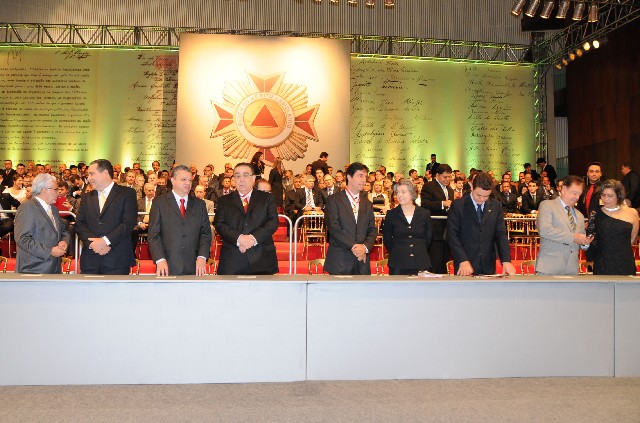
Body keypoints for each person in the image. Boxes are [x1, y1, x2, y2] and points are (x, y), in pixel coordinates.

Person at [74, 159, 138, 274]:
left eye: (92, 174)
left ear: (105, 173)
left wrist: (105, 241)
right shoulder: (87, 197)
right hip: (90, 260)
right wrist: (93, 244)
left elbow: (128, 223)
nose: (88, 178)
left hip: (117, 260)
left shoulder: (127, 193)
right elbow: (79, 224)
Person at [213, 162, 279, 275]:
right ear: (233, 179)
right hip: (232, 259)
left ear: (253, 178)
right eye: (237, 176)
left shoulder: (267, 198)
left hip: (262, 258)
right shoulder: (224, 201)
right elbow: (219, 224)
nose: (241, 179)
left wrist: (252, 238)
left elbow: (273, 222)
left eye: (245, 175)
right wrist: (239, 238)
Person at [447, 172, 516, 276]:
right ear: (471, 187)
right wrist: (462, 259)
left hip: (488, 264)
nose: (481, 199)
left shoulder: (496, 206)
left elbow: (501, 235)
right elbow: (452, 235)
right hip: (465, 264)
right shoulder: (458, 205)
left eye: (486, 196)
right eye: (478, 195)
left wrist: (506, 260)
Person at [148, 165, 212, 276]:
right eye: (183, 179)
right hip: (167, 265)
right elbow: (153, 234)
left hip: (194, 266)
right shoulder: (159, 203)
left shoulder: (200, 204)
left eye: (190, 180)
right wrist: (160, 259)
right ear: (173, 180)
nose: (188, 183)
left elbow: (205, 233)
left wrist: (202, 257)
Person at [324, 162, 377, 275]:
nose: (364, 180)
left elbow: (372, 230)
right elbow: (334, 228)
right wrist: (356, 248)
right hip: (340, 261)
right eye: (360, 175)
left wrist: (365, 248)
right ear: (349, 177)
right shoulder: (334, 200)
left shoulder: (367, 203)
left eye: (365, 176)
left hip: (361, 262)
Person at [536, 175, 593, 275]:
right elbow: (545, 230)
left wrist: (585, 242)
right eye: (574, 193)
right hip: (549, 268)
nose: (577, 197)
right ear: (564, 189)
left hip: (571, 270)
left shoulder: (580, 215)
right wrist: (574, 237)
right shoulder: (547, 205)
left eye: (579, 194)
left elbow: (580, 243)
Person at [14, 173, 70, 274]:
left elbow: (63, 231)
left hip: (54, 269)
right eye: (56, 189)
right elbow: (22, 239)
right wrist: (49, 251)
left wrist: (64, 241)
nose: (58, 193)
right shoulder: (27, 207)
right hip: (33, 269)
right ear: (44, 190)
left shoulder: (54, 209)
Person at [586, 179, 639, 275]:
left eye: (610, 196)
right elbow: (591, 241)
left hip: (625, 262)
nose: (605, 199)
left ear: (619, 196)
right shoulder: (595, 214)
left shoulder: (632, 213)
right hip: (602, 263)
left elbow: (632, 239)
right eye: (603, 195)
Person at [382, 180, 432, 275]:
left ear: (412, 193)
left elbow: (428, 238)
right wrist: (398, 251)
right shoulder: (391, 214)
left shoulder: (424, 214)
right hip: (398, 261)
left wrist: (418, 249)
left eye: (403, 192)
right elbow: (387, 239)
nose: (399, 195)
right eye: (397, 192)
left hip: (421, 261)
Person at [420, 163, 454, 274]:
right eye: (445, 177)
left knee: (445, 260)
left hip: (447, 231)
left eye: (449, 177)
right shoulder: (429, 186)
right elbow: (425, 204)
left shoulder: (450, 190)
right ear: (437, 175)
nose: (447, 179)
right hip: (434, 230)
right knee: (435, 261)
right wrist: (442, 204)